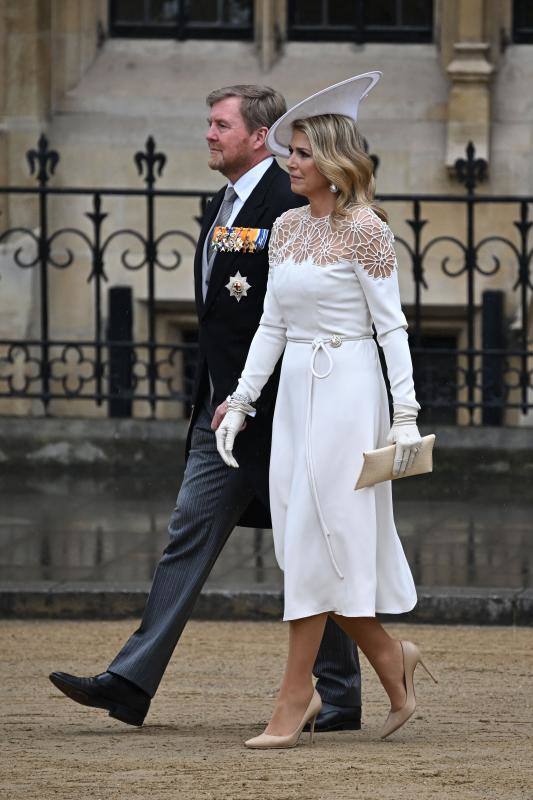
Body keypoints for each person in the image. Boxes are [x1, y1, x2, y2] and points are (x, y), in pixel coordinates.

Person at [49, 85, 363, 733]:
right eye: (209, 123)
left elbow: (297, 317)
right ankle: (130, 682)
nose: (208, 134)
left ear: (258, 136)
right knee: (188, 536)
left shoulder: (289, 204)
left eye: (220, 125)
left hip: (281, 416)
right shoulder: (220, 204)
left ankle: (343, 692)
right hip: (221, 415)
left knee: (307, 556)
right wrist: (221, 398)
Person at [216, 73, 437, 749]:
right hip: (296, 399)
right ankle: (391, 661)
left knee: (322, 535)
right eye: (291, 150)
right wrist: (243, 400)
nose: (291, 160)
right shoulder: (284, 227)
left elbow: (391, 327)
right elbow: (272, 328)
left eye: (304, 152)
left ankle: (294, 696)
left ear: (335, 160)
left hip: (349, 390)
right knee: (305, 540)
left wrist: (404, 417)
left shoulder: (366, 230)